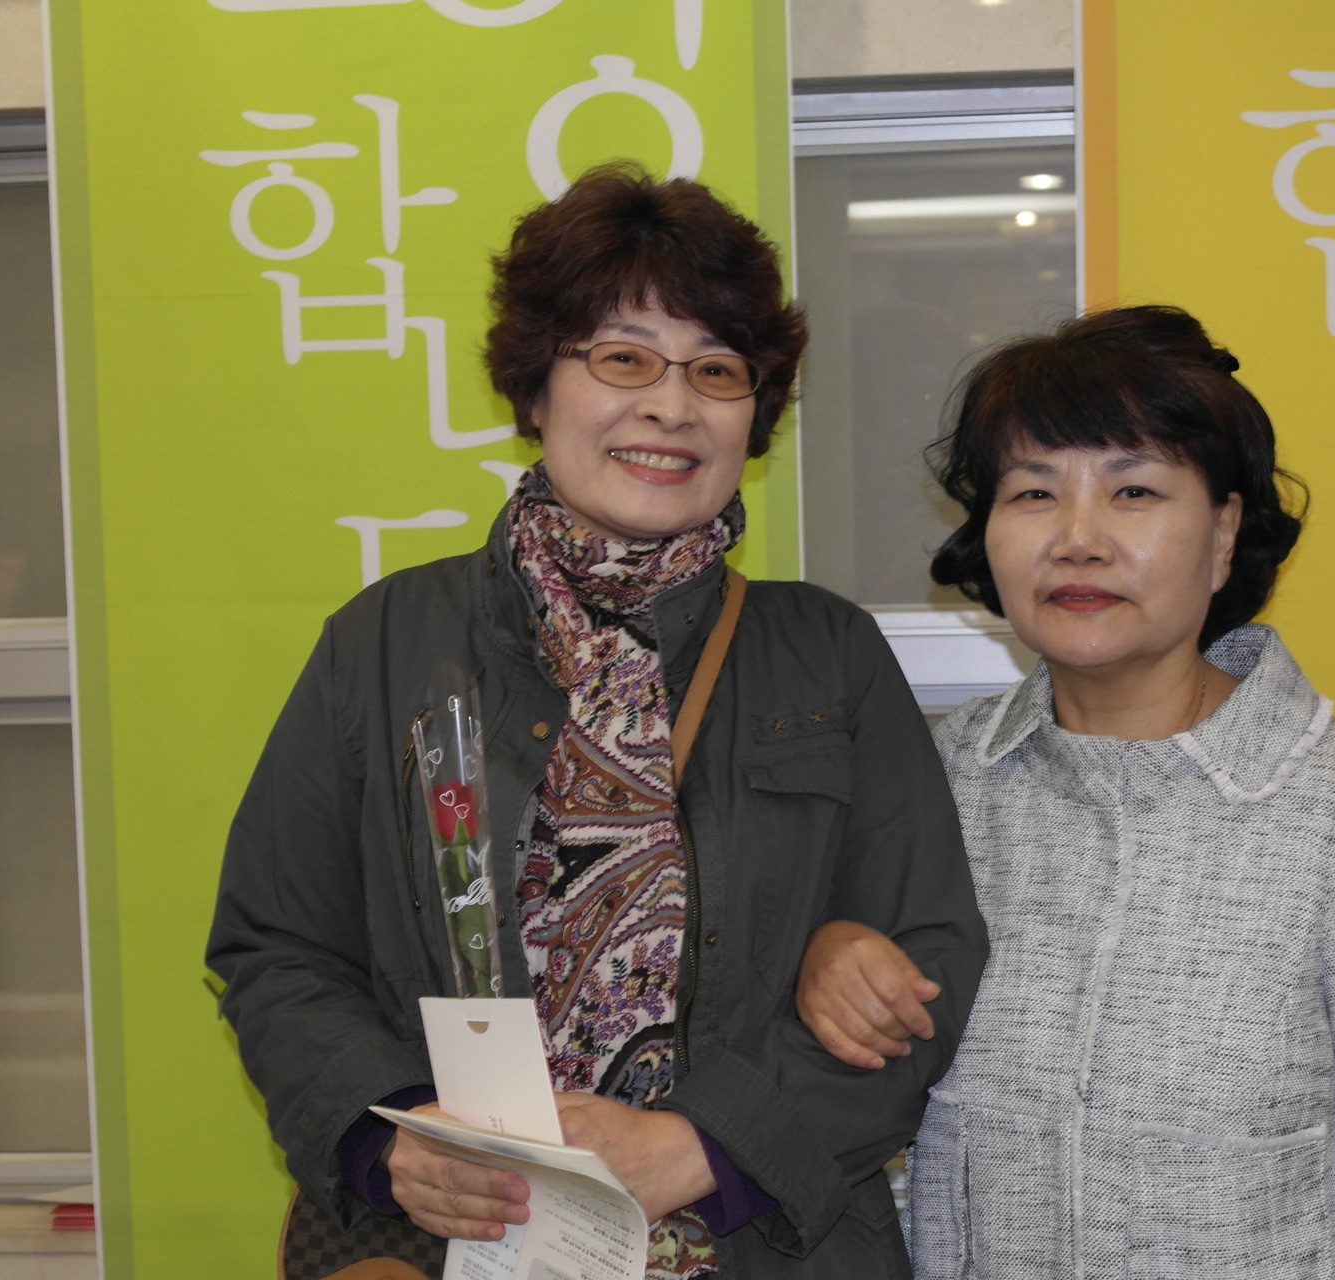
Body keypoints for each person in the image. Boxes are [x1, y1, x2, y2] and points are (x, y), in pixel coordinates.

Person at [207, 163, 987, 1279]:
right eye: (623, 357)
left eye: (716, 369)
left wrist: (702, 1146)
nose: (670, 406)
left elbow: (924, 963)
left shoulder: (828, 654)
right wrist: (394, 1134)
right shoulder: (383, 644)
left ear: (754, 412)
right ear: (535, 387)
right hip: (464, 1244)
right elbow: (278, 946)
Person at [796, 306, 1335, 1278]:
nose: (1078, 538)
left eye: (1133, 490)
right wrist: (824, 952)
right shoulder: (938, 775)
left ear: (1224, 532)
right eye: (1034, 492)